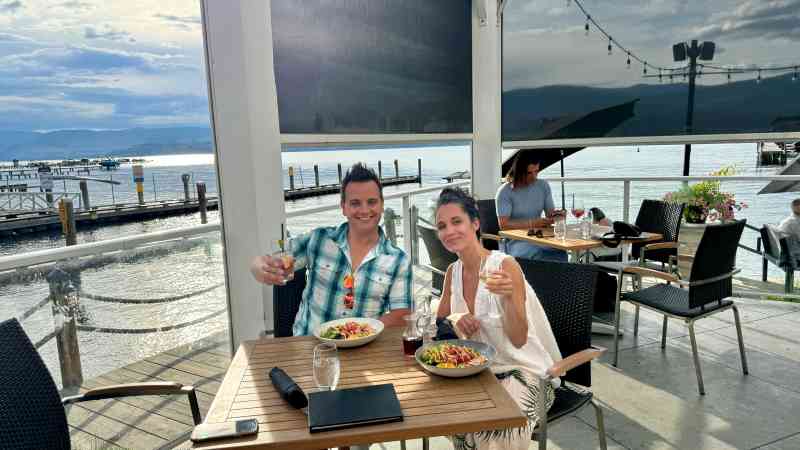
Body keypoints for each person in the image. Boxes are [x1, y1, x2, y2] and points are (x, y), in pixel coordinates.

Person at [435, 187, 562, 450]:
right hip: (479, 374)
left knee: (494, 429)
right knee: (444, 412)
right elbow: (440, 327)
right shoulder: (452, 272)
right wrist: (457, 318)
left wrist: (507, 299)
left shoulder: (505, 267)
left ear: (476, 223)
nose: (449, 231)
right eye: (442, 225)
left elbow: (518, 339)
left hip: (525, 372)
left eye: (456, 221)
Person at [250, 163, 412, 336]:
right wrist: (259, 267)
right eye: (355, 203)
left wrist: (363, 332)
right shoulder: (318, 239)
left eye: (371, 202)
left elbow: (402, 314)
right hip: (308, 349)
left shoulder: (398, 260)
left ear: (381, 205)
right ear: (343, 207)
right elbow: (270, 261)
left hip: (363, 352)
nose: (365, 210)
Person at [496, 153, 567, 262]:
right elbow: (504, 225)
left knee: (561, 252)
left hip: (539, 238)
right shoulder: (505, 192)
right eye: (529, 173)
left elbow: (550, 215)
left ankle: (559, 279)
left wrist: (558, 216)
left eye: (536, 172)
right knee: (539, 253)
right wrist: (532, 223)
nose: (534, 177)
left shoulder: (543, 186)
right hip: (515, 242)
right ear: (519, 171)